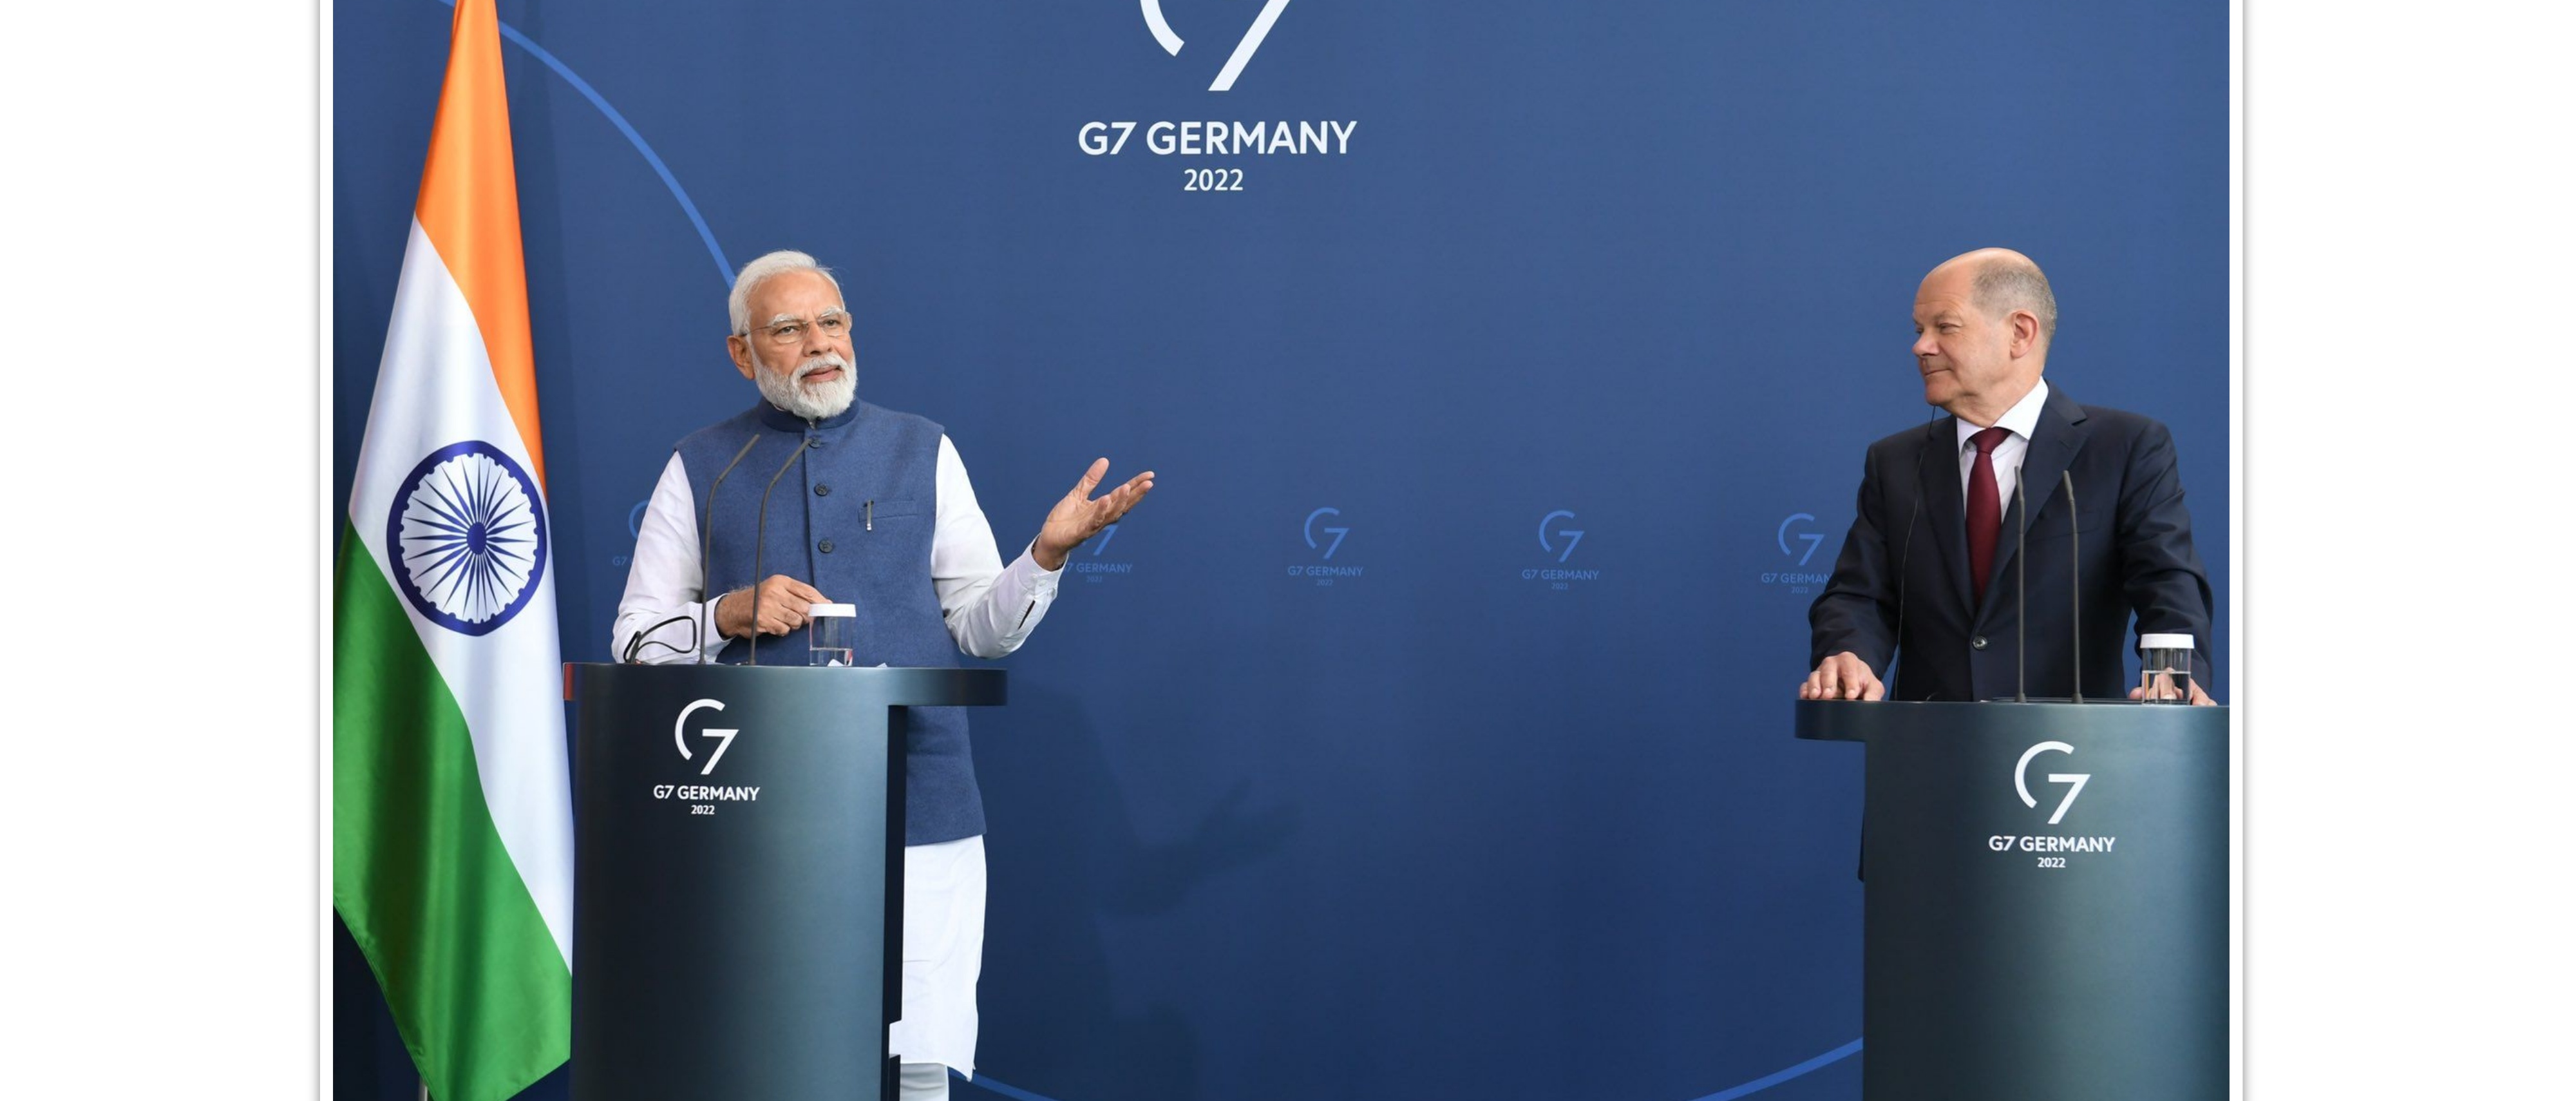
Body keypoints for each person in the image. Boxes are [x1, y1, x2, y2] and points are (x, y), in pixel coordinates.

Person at [611, 249, 1153, 1100]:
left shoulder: (923, 448)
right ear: (742, 353)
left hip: (922, 806)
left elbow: (983, 628)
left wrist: (1045, 555)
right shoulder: (700, 464)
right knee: (767, 1060)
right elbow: (636, 643)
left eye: (832, 322)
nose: (819, 343)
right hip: (752, 817)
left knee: (916, 1069)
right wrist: (725, 615)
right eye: (788, 329)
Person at [1801, 248, 2215, 704]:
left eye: (1945, 326)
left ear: (2020, 333)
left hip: (2071, 752)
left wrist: (2178, 677)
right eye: (1920, 331)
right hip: (1927, 750)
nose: (1920, 346)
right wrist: (1847, 652)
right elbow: (1860, 595)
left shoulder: (2125, 447)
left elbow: (2167, 582)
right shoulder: (1895, 461)